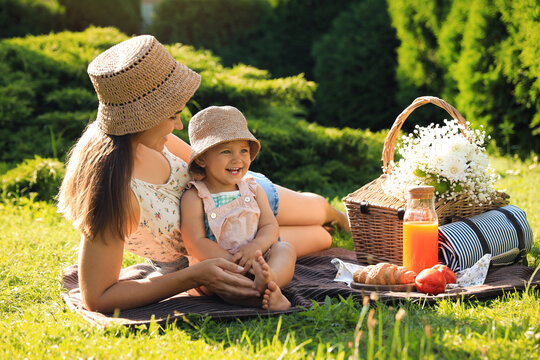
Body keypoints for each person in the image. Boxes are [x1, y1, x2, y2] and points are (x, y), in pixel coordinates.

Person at [57, 35, 349, 313]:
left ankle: (342, 218)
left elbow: (207, 165)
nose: (180, 125)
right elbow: (96, 296)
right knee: (321, 238)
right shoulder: (114, 191)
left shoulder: (154, 138)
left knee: (319, 210)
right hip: (222, 247)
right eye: (173, 116)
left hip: (243, 196)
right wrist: (193, 276)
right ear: (142, 119)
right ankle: (330, 227)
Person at [181, 105, 296, 311]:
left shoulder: (252, 188)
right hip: (221, 264)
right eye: (226, 151)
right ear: (202, 158)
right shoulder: (196, 195)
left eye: (243, 150)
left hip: (259, 259)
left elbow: (270, 226)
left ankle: (271, 281)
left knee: (284, 249)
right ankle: (257, 295)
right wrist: (232, 263)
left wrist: (256, 247)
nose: (237, 159)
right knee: (210, 277)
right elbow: (195, 242)